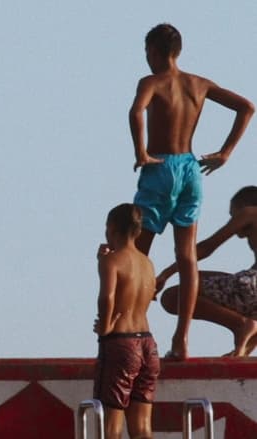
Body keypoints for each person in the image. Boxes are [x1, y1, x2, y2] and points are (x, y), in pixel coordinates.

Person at [129, 23, 254, 359]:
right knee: (186, 257)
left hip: (160, 166)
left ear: (153, 52)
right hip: (190, 168)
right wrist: (226, 152)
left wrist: (140, 152)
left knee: (137, 254)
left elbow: (136, 111)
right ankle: (181, 340)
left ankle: (134, 331)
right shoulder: (199, 84)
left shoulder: (151, 82)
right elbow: (247, 107)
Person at [156, 186, 257, 357]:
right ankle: (244, 346)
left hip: (253, 287)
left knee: (174, 296)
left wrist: (166, 273)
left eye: (233, 215)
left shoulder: (250, 213)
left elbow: (206, 247)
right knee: (197, 277)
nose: (232, 221)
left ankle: (239, 324)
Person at [93, 203, 160, 439]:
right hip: (148, 344)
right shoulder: (147, 264)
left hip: (121, 343)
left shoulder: (111, 261)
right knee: (142, 427)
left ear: (111, 228)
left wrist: (105, 325)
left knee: (110, 426)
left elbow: (107, 297)